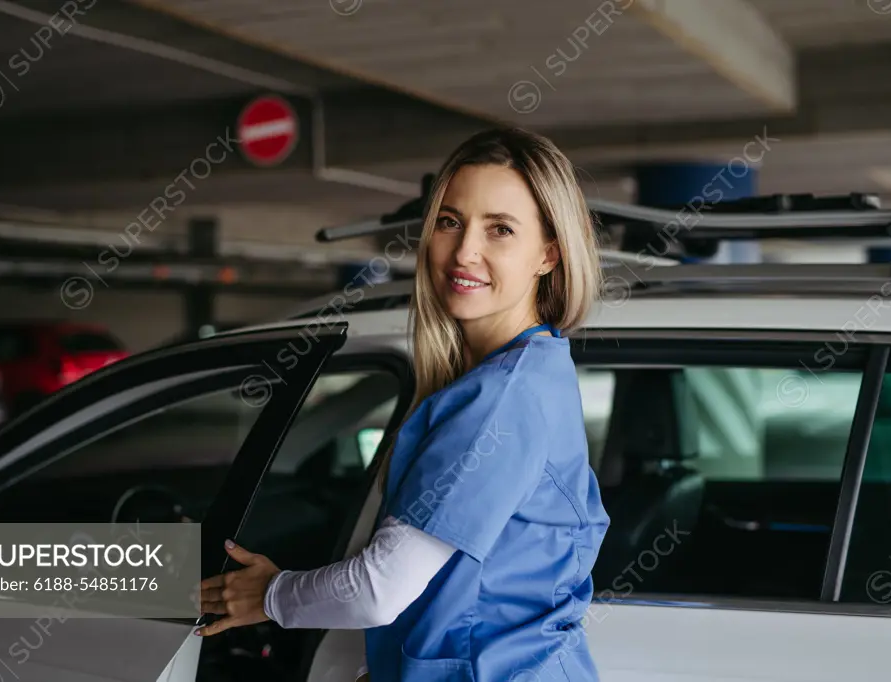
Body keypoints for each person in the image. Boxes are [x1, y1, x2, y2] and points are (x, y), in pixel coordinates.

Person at [197, 127, 611, 682]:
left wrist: (269, 595)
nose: (465, 251)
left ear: (549, 254)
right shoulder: (528, 371)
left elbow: (378, 590)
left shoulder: (499, 399)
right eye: (449, 221)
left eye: (500, 230)